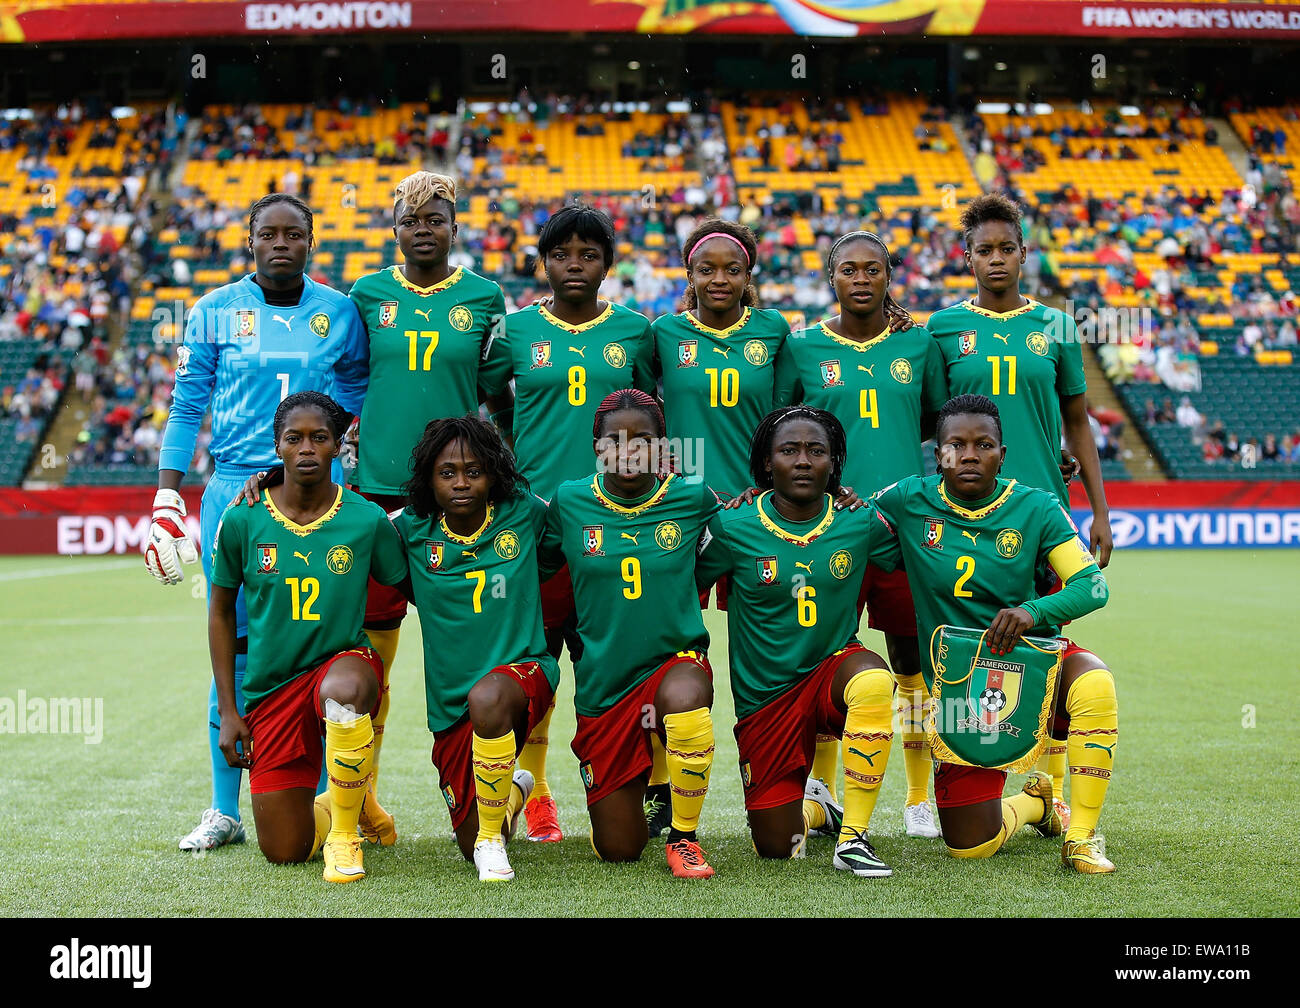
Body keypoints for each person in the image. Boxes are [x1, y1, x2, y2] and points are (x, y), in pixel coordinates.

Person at [145, 193, 368, 853]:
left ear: (310, 242)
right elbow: (188, 404)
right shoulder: (214, 312)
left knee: (326, 645)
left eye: (292, 234)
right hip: (233, 497)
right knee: (238, 647)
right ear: (249, 242)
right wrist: (166, 497)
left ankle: (334, 804)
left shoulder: (339, 312)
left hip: (317, 494)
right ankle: (223, 808)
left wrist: (310, 456)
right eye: (267, 234)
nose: (280, 244)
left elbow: (354, 389)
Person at [867, 395, 1117, 872]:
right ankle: (1036, 805)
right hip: (962, 692)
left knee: (1095, 683)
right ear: (936, 453)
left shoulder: (1036, 507)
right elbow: (848, 533)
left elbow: (1093, 585)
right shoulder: (906, 500)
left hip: (1026, 664)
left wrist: (1031, 611)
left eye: (983, 445)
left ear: (1002, 454)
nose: (968, 455)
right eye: (955, 445)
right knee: (969, 844)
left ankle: (1082, 837)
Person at [928, 192, 1113, 812]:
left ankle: (1049, 789)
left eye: (1007, 248)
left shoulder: (1057, 326)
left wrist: (1099, 510)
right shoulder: (943, 328)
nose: (997, 259)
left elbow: (1077, 421)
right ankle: (959, 777)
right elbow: (931, 420)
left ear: (1024, 254)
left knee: (1045, 641)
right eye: (985, 250)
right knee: (965, 643)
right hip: (966, 516)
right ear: (967, 257)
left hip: (1045, 512)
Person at [345, 171, 512, 844]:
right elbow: (346, 380)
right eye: (411, 219)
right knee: (371, 665)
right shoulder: (366, 294)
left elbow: (500, 395)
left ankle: (496, 798)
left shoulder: (483, 296)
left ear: (453, 225)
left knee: (475, 656)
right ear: (395, 228)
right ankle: (363, 800)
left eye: (435, 218)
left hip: (459, 498)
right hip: (380, 495)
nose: (423, 229)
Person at [480, 204, 655, 843]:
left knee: (615, 663)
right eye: (560, 255)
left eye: (588, 254)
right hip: (538, 526)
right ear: (542, 263)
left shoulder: (638, 331)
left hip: (617, 528)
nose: (573, 265)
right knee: (538, 662)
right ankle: (539, 792)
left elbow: (653, 417)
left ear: (608, 264)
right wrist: (513, 448)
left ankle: (642, 786)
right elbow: (494, 396)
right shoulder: (518, 331)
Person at [775, 230, 948, 839]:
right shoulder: (802, 347)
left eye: (873, 268)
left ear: (889, 277)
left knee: (910, 659)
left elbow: (934, 419)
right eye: (849, 269)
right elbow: (782, 427)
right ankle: (820, 790)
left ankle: (919, 798)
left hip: (904, 527)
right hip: (828, 528)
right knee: (825, 653)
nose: (862, 278)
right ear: (831, 278)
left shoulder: (918, 343)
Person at [209, 392, 407, 883]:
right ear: (276, 447)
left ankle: (344, 835)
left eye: (319, 438)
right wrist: (230, 713)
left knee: (343, 692)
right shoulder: (243, 519)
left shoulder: (364, 518)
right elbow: (218, 614)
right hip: (272, 688)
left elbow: (411, 583)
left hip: (342, 667)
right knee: (284, 849)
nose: (306, 449)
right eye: (294, 438)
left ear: (338, 447)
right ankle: (349, 803)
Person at [696, 406, 899, 875]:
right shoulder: (733, 525)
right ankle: (817, 809)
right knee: (777, 844)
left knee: (871, 680)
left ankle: (854, 840)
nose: (804, 461)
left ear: (834, 462)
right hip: (766, 700)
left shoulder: (859, 520)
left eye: (816, 451)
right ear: (767, 463)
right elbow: (683, 584)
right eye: (789, 450)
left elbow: (922, 564)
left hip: (832, 671)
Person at [538, 389, 720, 878]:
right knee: (619, 848)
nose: (629, 451)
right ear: (596, 447)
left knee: (684, 700)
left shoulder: (693, 497)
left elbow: (741, 535)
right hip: (604, 683)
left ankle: (684, 837)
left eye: (644, 440)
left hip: (673, 661)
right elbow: (537, 566)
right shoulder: (569, 502)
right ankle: (626, 789)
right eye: (614, 441)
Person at [391, 416, 559, 881]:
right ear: (428, 478)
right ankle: (513, 793)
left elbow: (579, 518)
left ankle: (491, 843)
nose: (461, 483)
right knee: (466, 841)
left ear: (493, 473)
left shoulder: (524, 511)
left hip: (523, 674)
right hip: (451, 703)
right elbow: (347, 523)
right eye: (447, 473)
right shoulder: (408, 530)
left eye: (474, 470)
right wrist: (270, 478)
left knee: (488, 697)